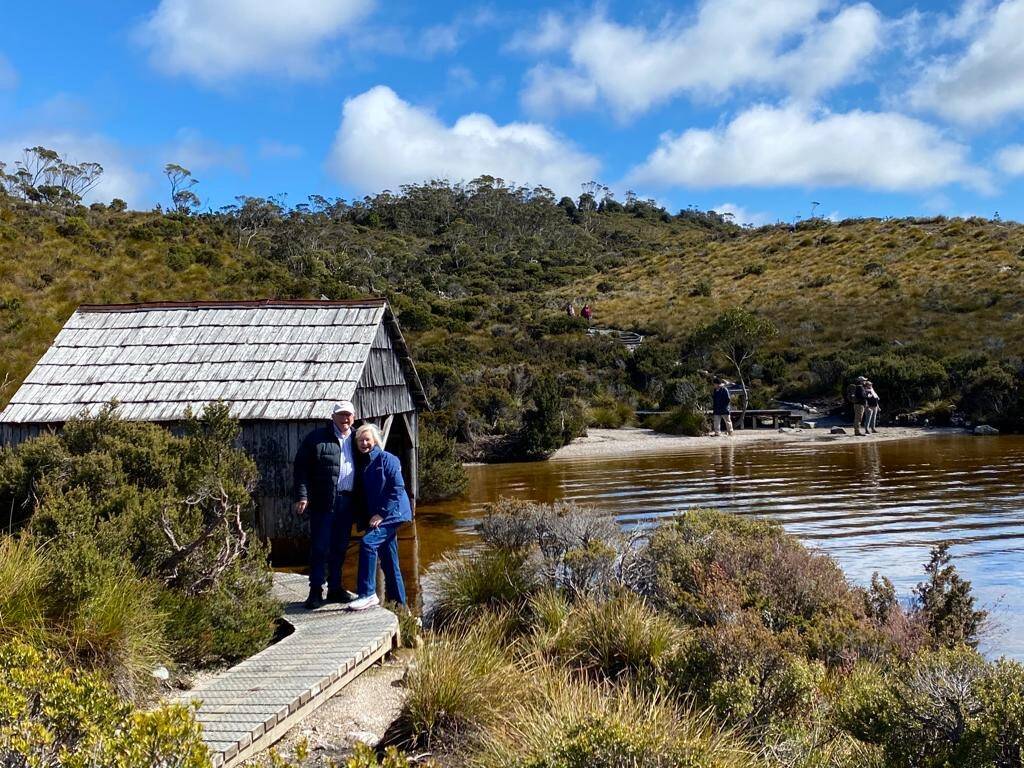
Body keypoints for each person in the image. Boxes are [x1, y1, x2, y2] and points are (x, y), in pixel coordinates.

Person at [293, 401, 360, 609]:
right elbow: (301, 469)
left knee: (340, 547)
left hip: (347, 501)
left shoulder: (359, 438)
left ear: (354, 417)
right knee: (320, 547)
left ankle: (335, 588)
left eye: (348, 415)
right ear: (333, 417)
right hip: (323, 501)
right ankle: (315, 592)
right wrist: (302, 496)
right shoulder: (316, 438)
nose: (345, 419)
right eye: (341, 415)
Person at [347, 423, 413, 611]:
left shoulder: (386, 458)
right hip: (380, 516)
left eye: (367, 439)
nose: (364, 443)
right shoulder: (363, 463)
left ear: (375, 440)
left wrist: (381, 513)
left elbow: (398, 487)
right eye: (360, 440)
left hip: (393, 514)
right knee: (390, 562)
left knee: (368, 543)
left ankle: (367, 594)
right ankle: (401, 607)